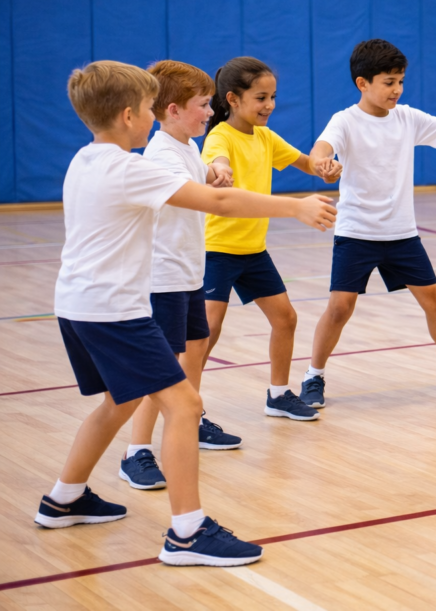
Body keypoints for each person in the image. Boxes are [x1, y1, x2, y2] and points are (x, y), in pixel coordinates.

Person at [36, 60, 336, 566]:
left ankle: (64, 498)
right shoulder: (130, 169)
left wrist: (209, 167)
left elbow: (199, 181)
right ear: (131, 115)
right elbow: (217, 201)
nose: (154, 118)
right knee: (183, 405)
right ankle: (187, 533)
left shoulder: (86, 160)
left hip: (79, 305)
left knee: (118, 402)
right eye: (149, 110)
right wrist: (295, 207)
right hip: (114, 312)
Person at [299, 39, 436, 407]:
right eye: (388, 82)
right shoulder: (346, 120)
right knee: (340, 308)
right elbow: (322, 148)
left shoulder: (408, 118)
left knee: (435, 300)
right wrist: (321, 163)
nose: (397, 90)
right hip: (357, 233)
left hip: (401, 233)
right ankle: (314, 376)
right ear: (363, 83)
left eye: (400, 81)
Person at [118, 60, 242, 491]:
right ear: (172, 109)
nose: (210, 113)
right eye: (204, 105)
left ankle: (187, 419)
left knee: (196, 347)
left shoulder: (186, 145)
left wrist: (215, 171)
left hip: (189, 273)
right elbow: (196, 197)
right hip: (164, 279)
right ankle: (136, 452)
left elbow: (200, 176)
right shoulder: (161, 155)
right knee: (162, 367)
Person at [200, 57, 341, 422]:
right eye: (261, 98)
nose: (270, 106)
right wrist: (220, 168)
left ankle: (278, 395)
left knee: (285, 318)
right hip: (216, 250)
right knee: (206, 332)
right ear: (232, 99)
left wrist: (325, 166)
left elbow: (307, 163)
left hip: (253, 250)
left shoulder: (265, 136)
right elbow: (216, 159)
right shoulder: (220, 136)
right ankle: (189, 409)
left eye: (273, 97)